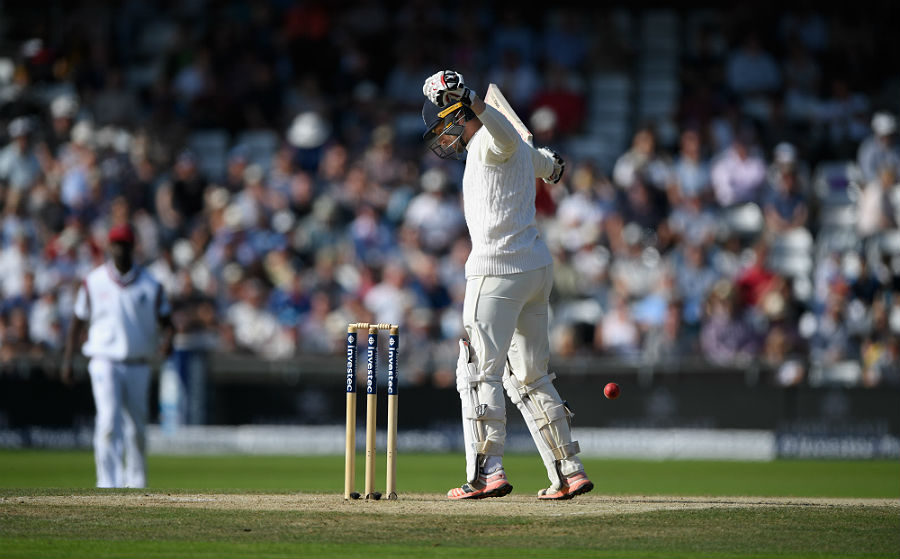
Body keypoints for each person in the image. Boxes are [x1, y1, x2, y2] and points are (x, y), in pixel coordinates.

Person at [421, 70, 592, 500]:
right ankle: (569, 471)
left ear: (461, 114)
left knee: (479, 372)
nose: (443, 135)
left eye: (444, 121)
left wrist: (474, 99)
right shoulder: (521, 149)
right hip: (535, 270)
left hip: (496, 271)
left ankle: (486, 473)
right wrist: (551, 164)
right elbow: (552, 168)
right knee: (531, 376)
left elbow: (505, 138)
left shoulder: (493, 142)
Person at [61, 223, 174, 488]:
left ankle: (136, 483)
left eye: (124, 244)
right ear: (109, 247)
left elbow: (168, 322)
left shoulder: (151, 284)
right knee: (108, 421)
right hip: (104, 360)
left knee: (137, 427)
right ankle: (107, 483)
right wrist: (68, 359)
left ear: (133, 247)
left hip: (138, 363)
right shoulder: (94, 281)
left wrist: (169, 342)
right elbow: (77, 322)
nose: (120, 249)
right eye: (115, 244)